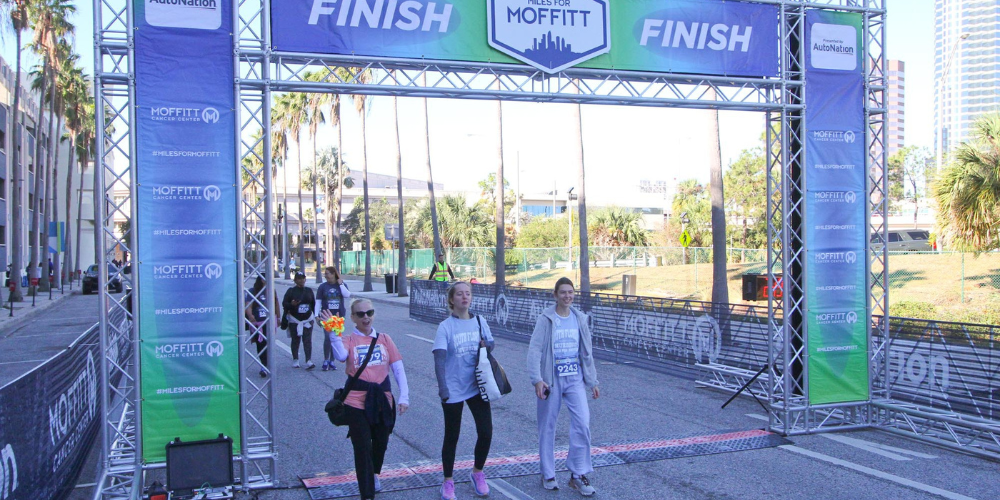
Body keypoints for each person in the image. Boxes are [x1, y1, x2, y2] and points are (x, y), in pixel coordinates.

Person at [322, 299, 410, 500]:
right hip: (355, 402)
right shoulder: (349, 340)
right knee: (362, 448)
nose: (366, 317)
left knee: (381, 442)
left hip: (382, 400)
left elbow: (398, 368)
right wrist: (333, 333)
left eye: (369, 312)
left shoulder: (384, 339)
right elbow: (341, 355)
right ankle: (367, 493)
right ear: (352, 317)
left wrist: (404, 396)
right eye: (360, 314)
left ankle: (374, 473)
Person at [527, 277, 600, 496]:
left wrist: (592, 381)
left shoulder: (579, 318)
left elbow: (586, 352)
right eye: (563, 292)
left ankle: (577, 474)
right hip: (552, 378)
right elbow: (534, 350)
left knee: (582, 423)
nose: (567, 296)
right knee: (547, 426)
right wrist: (537, 379)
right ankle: (548, 473)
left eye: (570, 292)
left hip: (575, 377)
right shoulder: (546, 319)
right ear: (555, 295)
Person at [433, 282, 495, 500]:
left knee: (486, 431)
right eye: (459, 294)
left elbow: (491, 345)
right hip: (453, 388)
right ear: (452, 300)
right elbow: (439, 358)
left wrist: (485, 344)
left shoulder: (480, 321)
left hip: (477, 385)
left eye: (467, 293)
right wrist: (443, 388)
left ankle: (477, 472)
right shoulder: (446, 327)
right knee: (452, 435)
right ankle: (448, 481)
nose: (464, 297)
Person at [317, 266, 351, 371]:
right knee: (327, 338)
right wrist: (316, 316)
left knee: (335, 339)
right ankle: (326, 359)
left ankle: (332, 361)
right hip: (326, 316)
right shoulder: (323, 287)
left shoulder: (342, 285)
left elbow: (347, 295)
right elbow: (318, 301)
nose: (325, 275)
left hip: (338, 317)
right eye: (325, 273)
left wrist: (341, 284)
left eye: (327, 273)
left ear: (333, 274)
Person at [245, 276, 279, 378]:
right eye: (265, 279)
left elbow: (276, 304)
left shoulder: (271, 291)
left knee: (268, 343)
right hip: (257, 323)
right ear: (261, 280)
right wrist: (250, 316)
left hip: (269, 322)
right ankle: (263, 364)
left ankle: (267, 365)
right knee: (260, 344)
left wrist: (279, 317)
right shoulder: (252, 291)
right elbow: (248, 305)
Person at [282, 272, 316, 369]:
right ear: (295, 280)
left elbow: (313, 304)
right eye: (299, 278)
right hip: (295, 320)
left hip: (307, 319)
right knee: (295, 340)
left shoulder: (309, 291)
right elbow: (284, 303)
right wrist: (291, 304)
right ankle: (295, 359)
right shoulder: (291, 291)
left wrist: (317, 316)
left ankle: (308, 360)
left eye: (303, 278)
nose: (302, 280)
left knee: (307, 340)